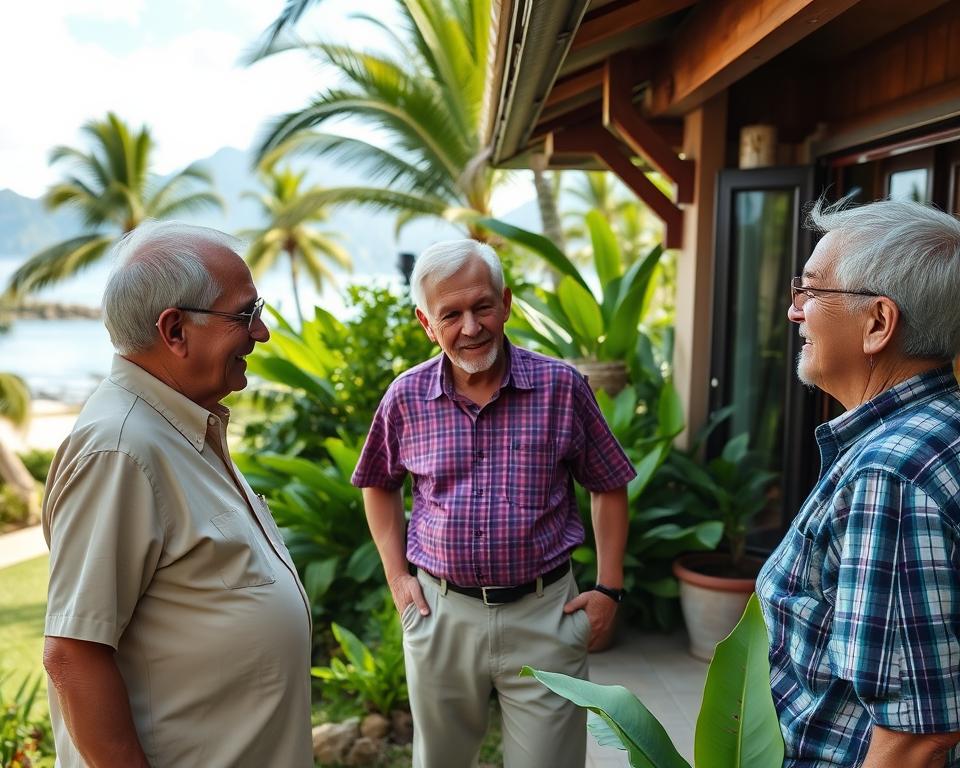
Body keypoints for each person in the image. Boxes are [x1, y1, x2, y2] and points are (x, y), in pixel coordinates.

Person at [351, 239, 636, 768]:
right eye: (450, 314)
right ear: (426, 323)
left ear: (505, 304)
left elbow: (608, 483)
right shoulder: (405, 398)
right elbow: (377, 481)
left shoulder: (561, 387)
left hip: (545, 613)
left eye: (482, 306)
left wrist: (609, 589)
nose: (471, 327)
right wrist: (397, 577)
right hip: (441, 613)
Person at [41, 221, 313, 768]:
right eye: (245, 315)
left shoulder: (176, 425)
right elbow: (73, 655)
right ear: (174, 330)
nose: (261, 334)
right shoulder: (122, 450)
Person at [757, 198, 960, 767]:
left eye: (814, 291)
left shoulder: (890, 476)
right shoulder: (941, 428)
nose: (797, 311)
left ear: (878, 323)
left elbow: (915, 736)